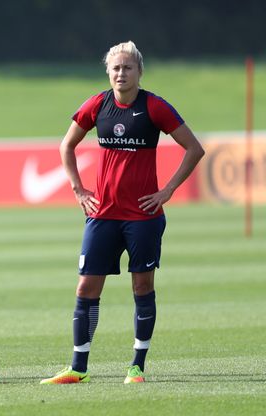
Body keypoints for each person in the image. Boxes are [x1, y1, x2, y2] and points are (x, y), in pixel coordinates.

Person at [41, 41, 204, 385]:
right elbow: (66, 145)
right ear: (108, 72)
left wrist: (168, 190)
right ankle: (78, 367)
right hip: (102, 215)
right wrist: (78, 188)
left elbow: (194, 148)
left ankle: (137, 366)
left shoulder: (154, 107)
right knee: (86, 287)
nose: (121, 73)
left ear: (139, 72)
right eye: (115, 68)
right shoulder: (98, 104)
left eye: (128, 68)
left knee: (142, 285)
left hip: (143, 217)